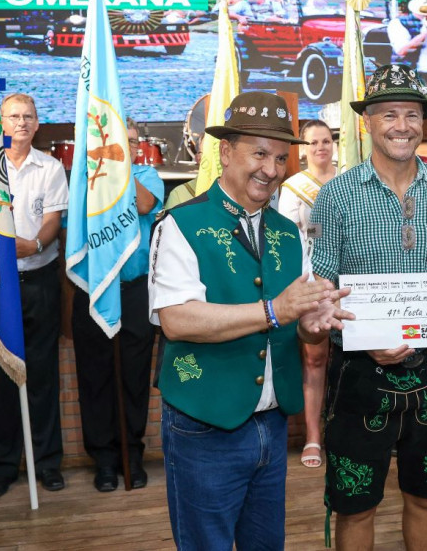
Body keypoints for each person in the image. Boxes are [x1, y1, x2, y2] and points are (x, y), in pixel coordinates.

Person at [149, 91, 350, 551]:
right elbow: (177, 319)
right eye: (259, 154)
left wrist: (314, 322)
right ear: (225, 151)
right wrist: (274, 311)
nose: (271, 169)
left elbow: (297, 321)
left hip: (272, 423)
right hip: (204, 424)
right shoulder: (180, 223)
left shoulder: (288, 231)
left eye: (280, 158)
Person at [311, 64, 427, 551]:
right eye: (388, 114)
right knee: (356, 504)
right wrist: (363, 338)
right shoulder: (335, 195)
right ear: (367, 122)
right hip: (358, 371)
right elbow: (322, 288)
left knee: (426, 499)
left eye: (412, 114)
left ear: (424, 122)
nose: (402, 125)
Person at [0, 93, 68, 499]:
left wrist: (32, 245)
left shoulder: (50, 167)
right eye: (13, 116)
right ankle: (2, 467)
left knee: (42, 376)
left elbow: (52, 221)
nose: (21, 122)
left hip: (38, 281)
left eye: (28, 116)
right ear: (0, 122)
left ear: (37, 124)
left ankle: (48, 463)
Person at [74, 118, 165, 492]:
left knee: (133, 377)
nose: (129, 146)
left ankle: (132, 454)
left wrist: (119, 163)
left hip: (134, 290)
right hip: (95, 290)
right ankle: (105, 461)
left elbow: (144, 204)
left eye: (133, 141)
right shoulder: (85, 180)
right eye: (120, 141)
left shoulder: (147, 175)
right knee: (96, 377)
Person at [277, 119, 337, 470]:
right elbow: (288, 240)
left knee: (356, 356)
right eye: (313, 142)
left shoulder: (350, 180)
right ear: (304, 149)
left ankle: (349, 429)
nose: (320, 147)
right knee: (314, 359)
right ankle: (314, 436)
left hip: (349, 279)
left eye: (326, 140)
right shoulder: (293, 188)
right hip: (312, 279)